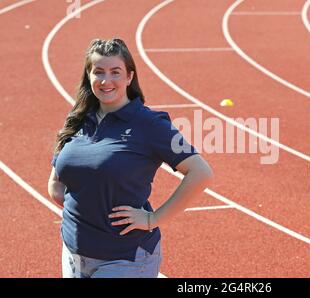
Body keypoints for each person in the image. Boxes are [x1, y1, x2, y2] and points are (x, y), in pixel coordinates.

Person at [47, 38, 213, 278]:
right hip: (73, 254)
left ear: (129, 77)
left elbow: (201, 173)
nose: (106, 81)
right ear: (89, 76)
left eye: (116, 72)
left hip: (124, 259)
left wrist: (152, 218)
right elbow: (56, 180)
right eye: (99, 72)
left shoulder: (149, 124)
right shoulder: (79, 117)